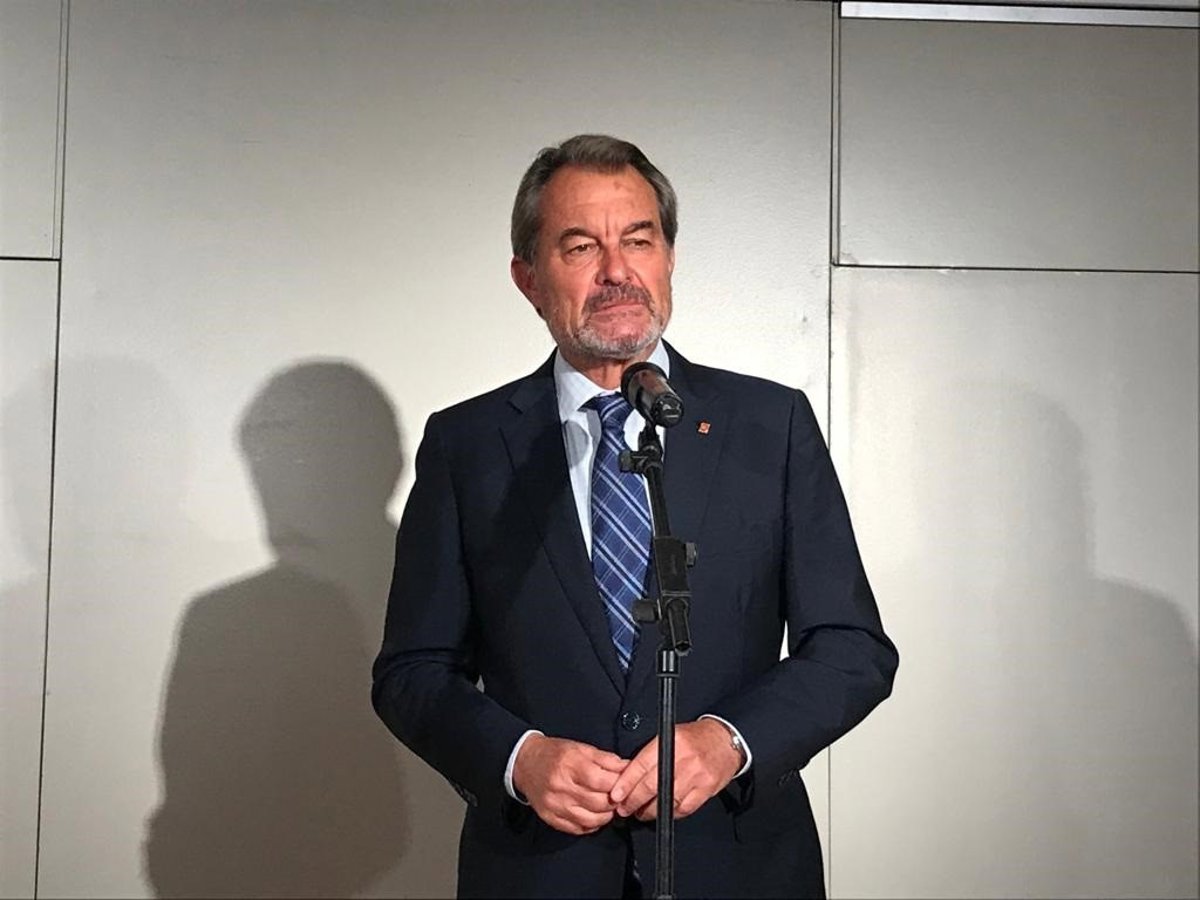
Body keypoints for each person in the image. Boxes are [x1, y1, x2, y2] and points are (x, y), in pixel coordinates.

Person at [372, 134, 898, 899]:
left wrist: (731, 742)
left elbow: (852, 648)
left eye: (639, 240)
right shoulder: (468, 445)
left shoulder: (770, 425)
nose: (617, 270)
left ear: (669, 258)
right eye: (581, 246)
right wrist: (517, 758)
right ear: (528, 279)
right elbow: (412, 672)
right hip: (539, 872)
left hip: (739, 866)